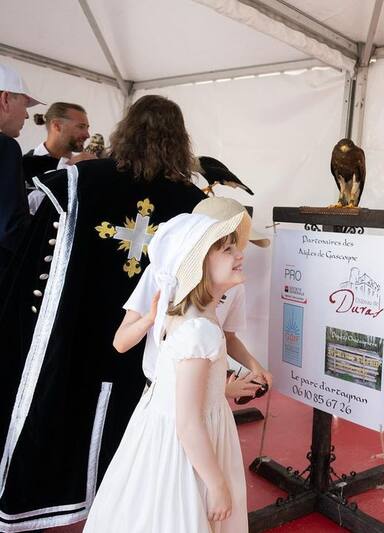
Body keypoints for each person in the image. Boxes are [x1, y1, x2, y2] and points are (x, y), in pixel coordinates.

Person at [0, 95, 206, 531]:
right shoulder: (191, 199)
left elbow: (37, 247)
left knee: (73, 401)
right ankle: (125, 508)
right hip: (149, 330)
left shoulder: (83, 179)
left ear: (126, 130)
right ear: (180, 138)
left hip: (82, 321)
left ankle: (66, 499)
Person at [84, 211, 249, 532]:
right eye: (227, 249)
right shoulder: (199, 330)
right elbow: (188, 423)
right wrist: (215, 484)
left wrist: (222, 391)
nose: (240, 253)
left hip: (165, 432)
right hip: (185, 448)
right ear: (199, 264)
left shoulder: (190, 317)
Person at [124, 196, 273, 401]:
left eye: (237, 244)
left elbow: (228, 338)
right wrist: (151, 318)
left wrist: (254, 367)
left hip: (207, 397)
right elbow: (121, 343)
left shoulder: (234, 285)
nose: (240, 254)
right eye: (228, 246)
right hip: (164, 397)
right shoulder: (162, 276)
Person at [0, 63, 42, 274]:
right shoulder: (4, 146)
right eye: (25, 105)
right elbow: (11, 228)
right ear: (5, 99)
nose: (26, 116)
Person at [22, 101, 93, 184]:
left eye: (87, 128)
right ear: (57, 126)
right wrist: (69, 168)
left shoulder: (84, 164)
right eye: (81, 127)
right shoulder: (23, 165)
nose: (87, 135)